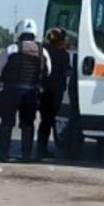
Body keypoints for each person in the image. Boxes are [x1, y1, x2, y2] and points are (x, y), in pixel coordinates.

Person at [0, 18, 51, 162]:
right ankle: (26, 155)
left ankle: (3, 155)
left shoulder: (11, 49)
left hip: (10, 92)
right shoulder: (42, 51)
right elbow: (48, 71)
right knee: (28, 124)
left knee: (6, 123)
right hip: (31, 92)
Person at [37, 28, 70, 158]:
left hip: (43, 90)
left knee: (45, 120)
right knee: (48, 120)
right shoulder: (64, 55)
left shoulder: (43, 52)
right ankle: (42, 149)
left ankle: (40, 147)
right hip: (56, 92)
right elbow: (67, 70)